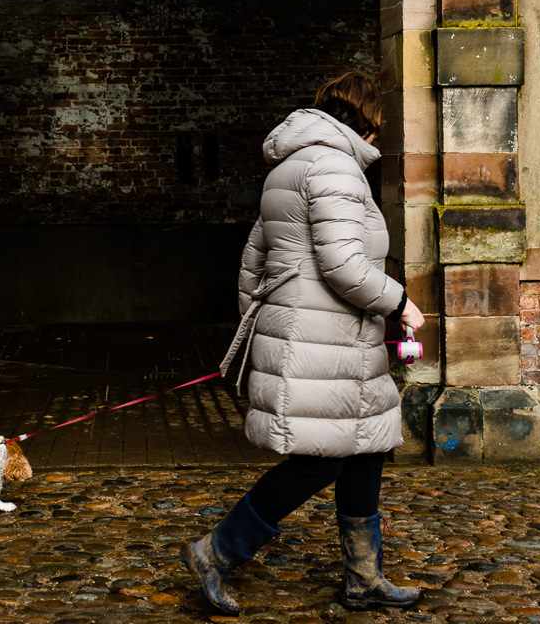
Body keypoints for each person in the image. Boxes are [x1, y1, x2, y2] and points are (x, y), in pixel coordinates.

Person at [182, 70, 427, 616]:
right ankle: (214, 552)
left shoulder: (289, 166)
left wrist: (266, 321)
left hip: (319, 337)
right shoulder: (336, 167)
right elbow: (344, 265)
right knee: (319, 461)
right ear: (366, 120)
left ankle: (364, 578)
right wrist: (399, 301)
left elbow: (253, 260)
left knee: (364, 452)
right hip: (325, 340)